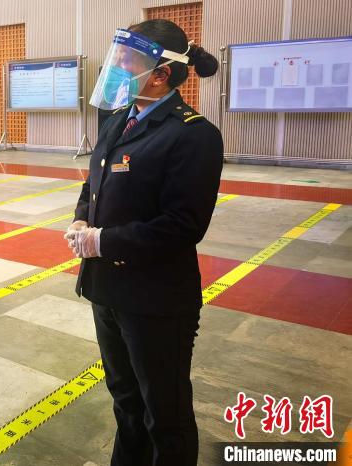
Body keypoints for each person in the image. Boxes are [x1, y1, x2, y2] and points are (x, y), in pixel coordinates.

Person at [65, 19, 224, 466]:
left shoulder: (193, 134)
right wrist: (81, 219)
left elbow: (183, 225)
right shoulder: (117, 119)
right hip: (106, 289)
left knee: (164, 413)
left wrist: (104, 241)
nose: (115, 67)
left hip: (156, 300)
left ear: (161, 74)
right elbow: (94, 182)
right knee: (125, 401)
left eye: (126, 60)